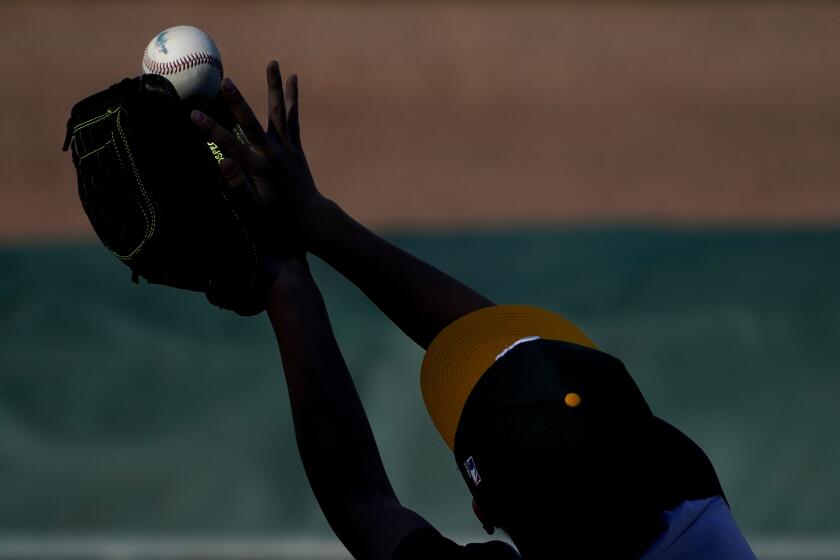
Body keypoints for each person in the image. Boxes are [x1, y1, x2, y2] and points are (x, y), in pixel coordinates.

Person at [190, 61, 757, 560]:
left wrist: (292, 265)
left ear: (483, 511)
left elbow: (357, 499)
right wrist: (300, 248)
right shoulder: (694, 503)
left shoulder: (686, 480)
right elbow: (360, 501)